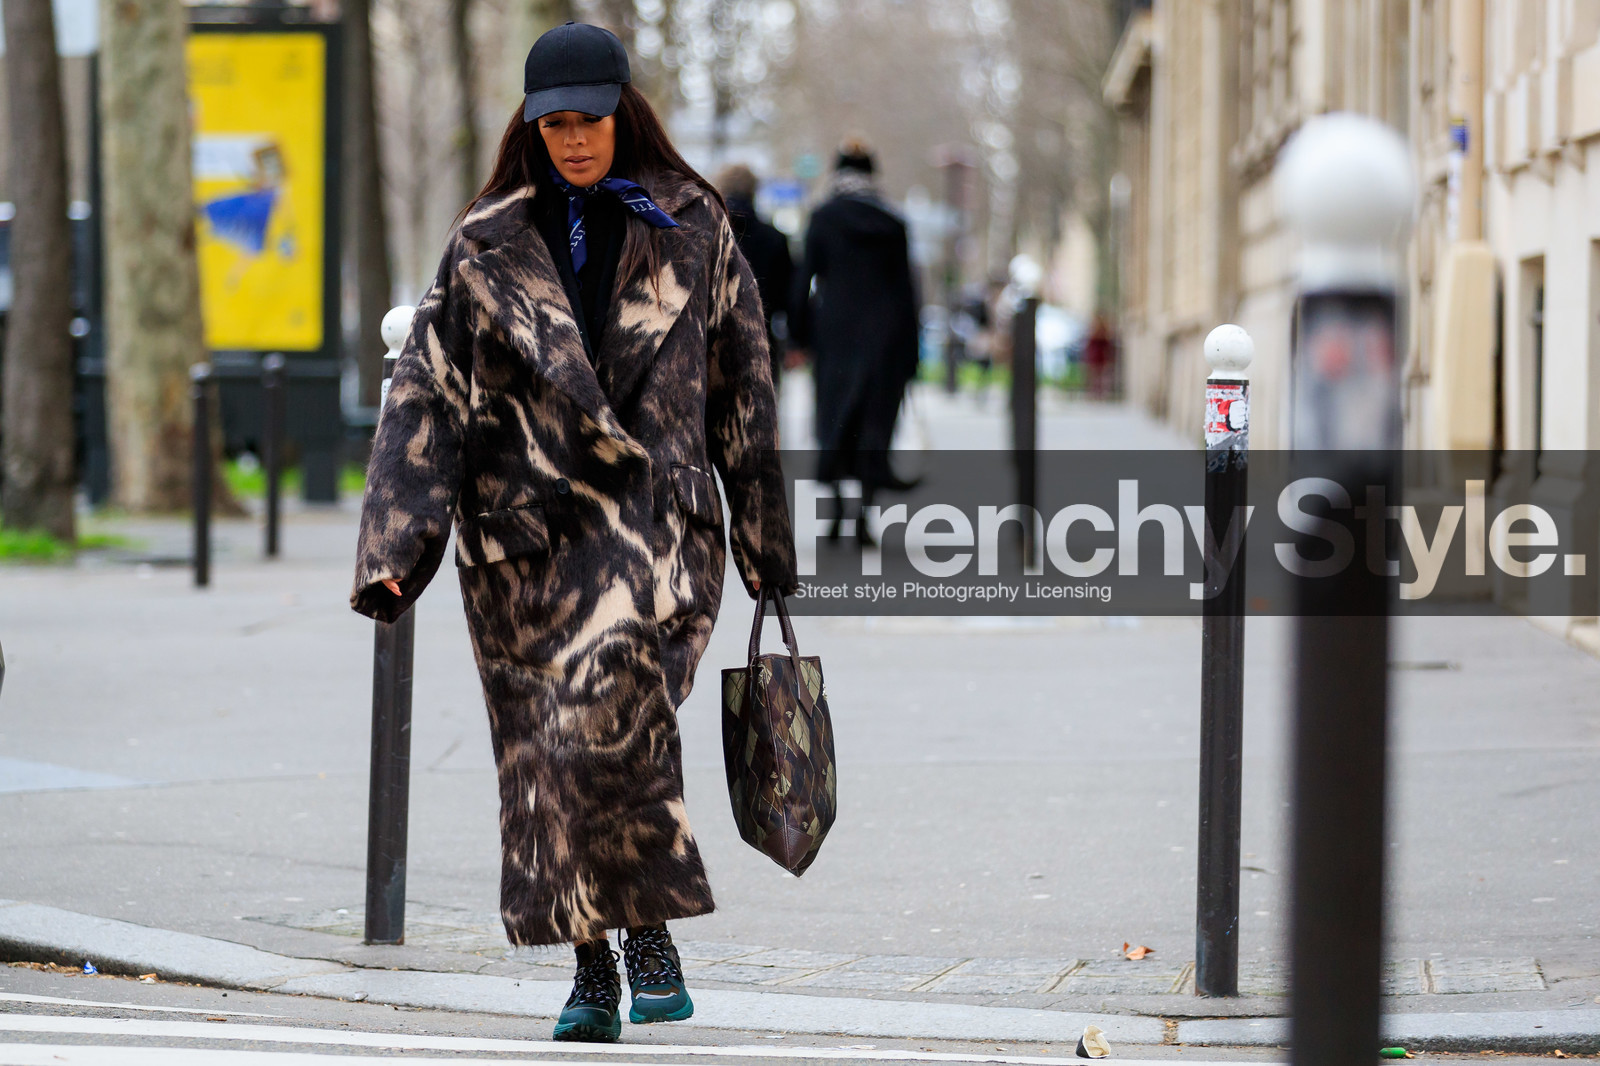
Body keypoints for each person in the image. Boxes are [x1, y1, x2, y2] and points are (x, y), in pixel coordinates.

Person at [348, 21, 797, 1045]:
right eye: (555, 124)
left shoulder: (694, 225)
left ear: (622, 111)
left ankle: (639, 944)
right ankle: (603, 962)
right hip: (525, 540)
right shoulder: (485, 243)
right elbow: (425, 400)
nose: (576, 140)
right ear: (532, 126)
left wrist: (767, 543)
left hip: (657, 531)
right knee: (548, 749)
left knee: (609, 707)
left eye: (590, 119)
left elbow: (745, 392)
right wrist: (393, 551)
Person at [790, 137, 921, 543]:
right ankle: (864, 518)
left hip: (835, 336)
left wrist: (799, 336)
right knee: (874, 425)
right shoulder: (894, 223)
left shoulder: (823, 217)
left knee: (833, 421)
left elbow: (803, 281)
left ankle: (836, 513)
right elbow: (907, 291)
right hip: (886, 338)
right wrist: (911, 351)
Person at [714, 164, 794, 388]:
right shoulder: (775, 238)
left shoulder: (707, 235)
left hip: (712, 343)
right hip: (762, 340)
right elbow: (788, 295)